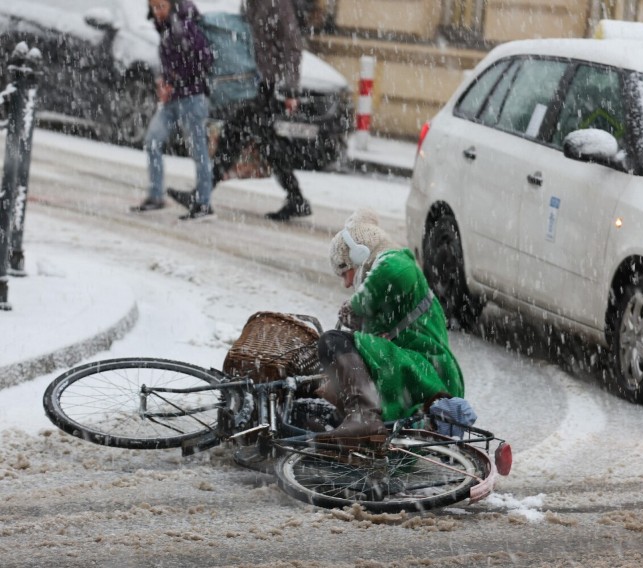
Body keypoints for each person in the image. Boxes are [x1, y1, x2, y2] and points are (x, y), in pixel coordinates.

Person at [311, 209, 465, 447]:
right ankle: (363, 431)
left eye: (345, 270)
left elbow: (393, 273)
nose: (347, 283)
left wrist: (356, 305)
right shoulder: (385, 289)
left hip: (429, 370)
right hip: (416, 371)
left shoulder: (395, 262)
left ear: (359, 253)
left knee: (333, 341)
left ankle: (364, 418)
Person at [168, 0, 312, 222]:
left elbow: (293, 46)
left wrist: (291, 90)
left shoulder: (278, 4)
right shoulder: (251, 4)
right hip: (252, 80)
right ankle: (296, 198)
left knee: (238, 137)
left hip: (266, 83)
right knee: (259, 140)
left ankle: (201, 195)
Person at [133, 0, 215, 221]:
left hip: (192, 98)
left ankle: (204, 203)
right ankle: (156, 195)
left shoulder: (184, 27)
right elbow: (171, 62)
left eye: (161, 6)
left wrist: (175, 79)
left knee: (199, 151)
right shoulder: (167, 29)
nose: (157, 11)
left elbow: (204, 59)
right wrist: (165, 80)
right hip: (173, 99)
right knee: (152, 141)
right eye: (154, 7)